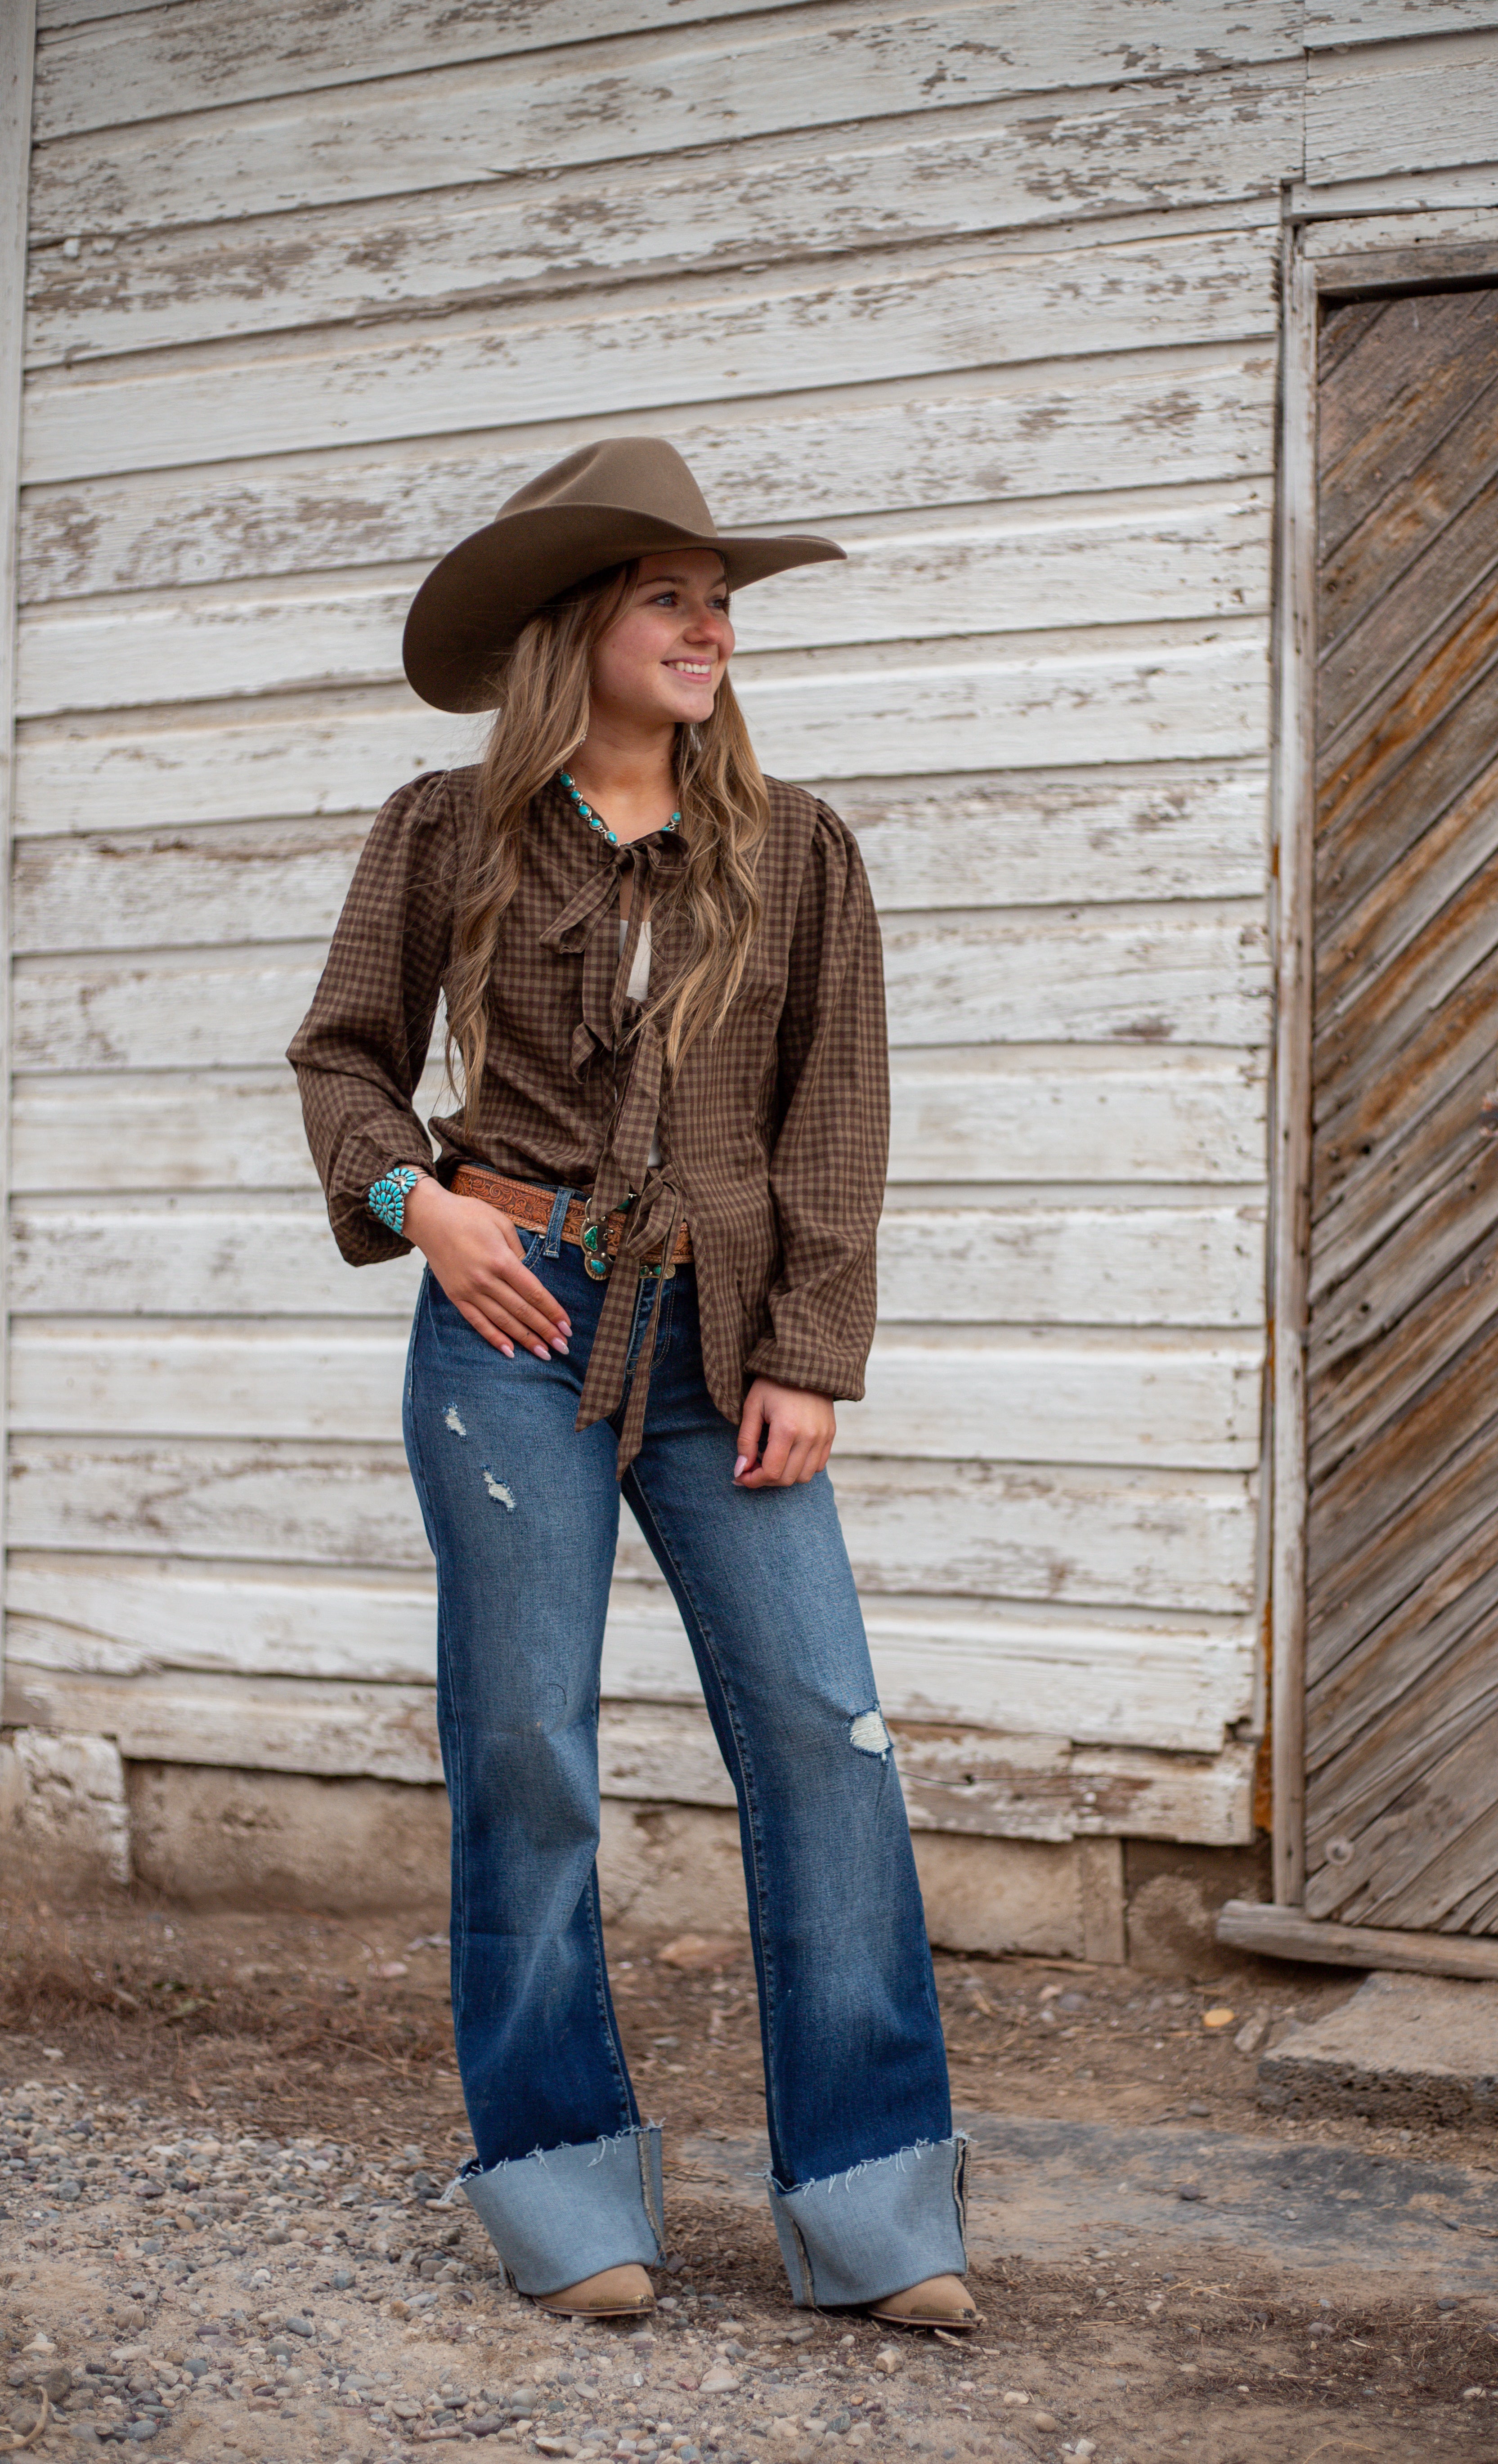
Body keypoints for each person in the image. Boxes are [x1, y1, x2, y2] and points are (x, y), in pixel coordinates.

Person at [288, 438, 977, 2329]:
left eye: (717, 598)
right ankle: (560, 2180)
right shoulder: (444, 829)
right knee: (527, 1747)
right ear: (571, 623)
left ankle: (871, 2203)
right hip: (510, 1324)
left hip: (723, 1342)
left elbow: (834, 1115)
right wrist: (422, 1207)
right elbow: (342, 1057)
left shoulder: (796, 848)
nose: (708, 625)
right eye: (667, 595)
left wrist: (810, 1355)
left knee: (823, 1730)